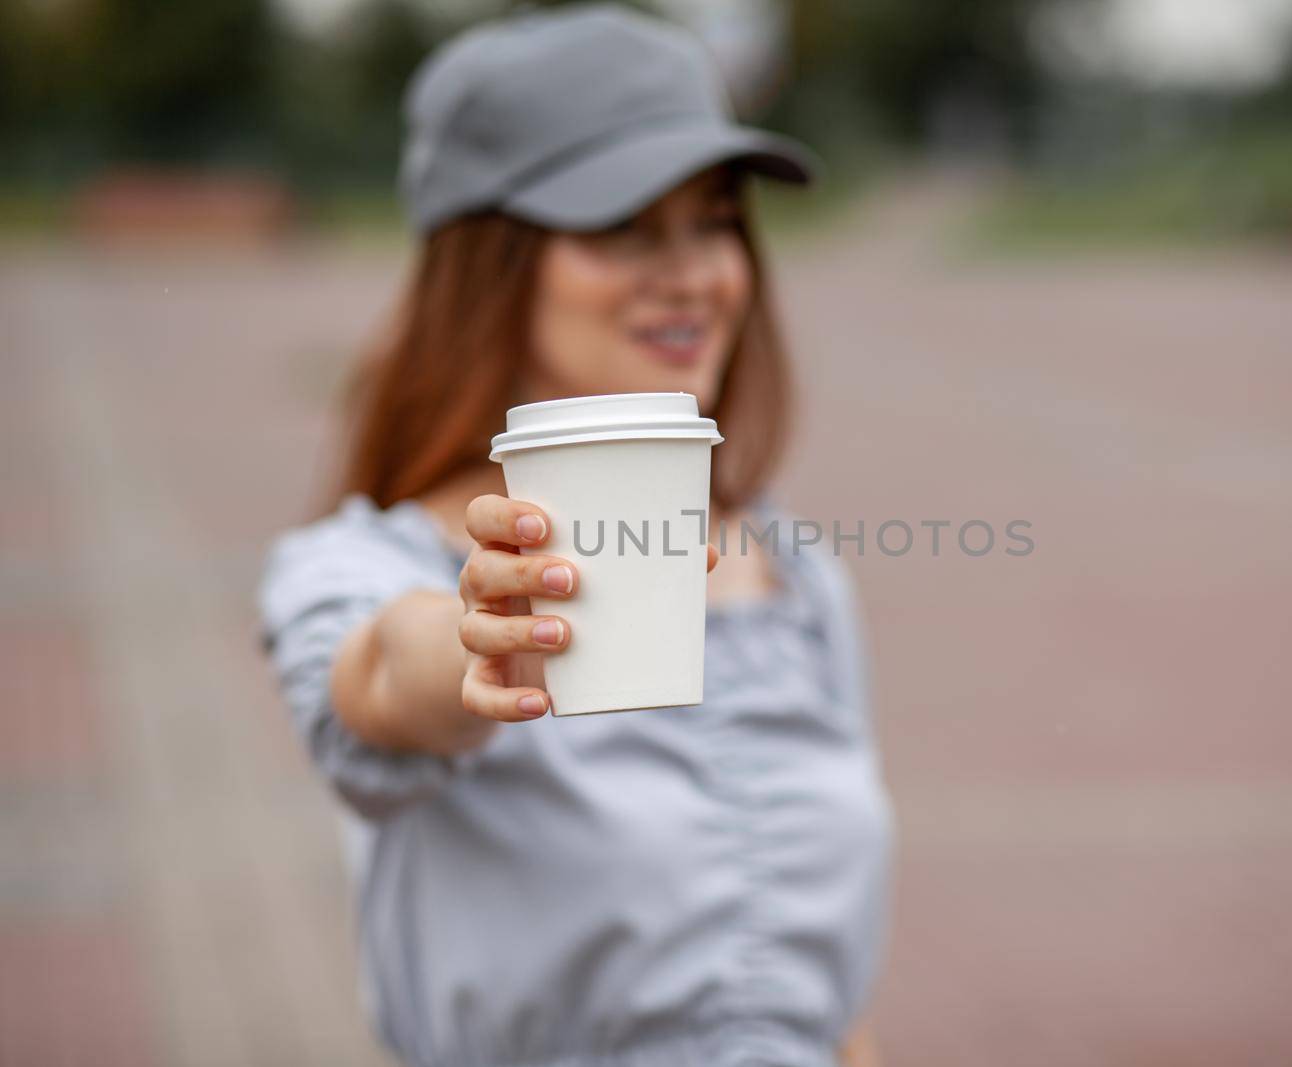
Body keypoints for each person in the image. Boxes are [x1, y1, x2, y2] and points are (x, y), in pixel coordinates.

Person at [255, 5, 895, 1067]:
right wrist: (478, 636)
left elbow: (839, 1002)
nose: (693, 272)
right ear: (489, 262)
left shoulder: (797, 569)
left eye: (716, 219)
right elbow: (376, 677)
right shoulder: (366, 564)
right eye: (624, 225)